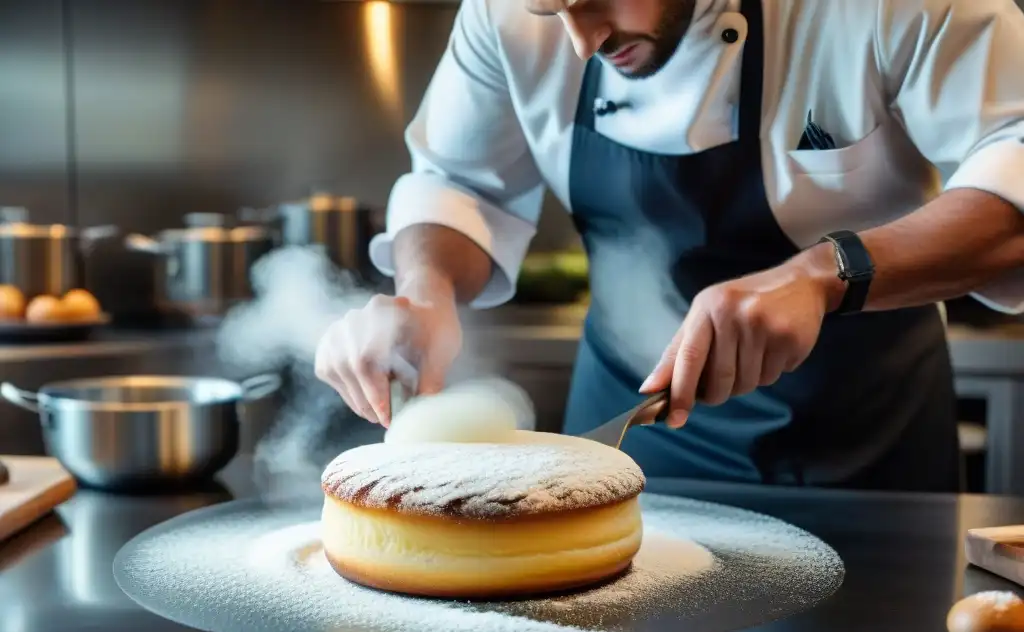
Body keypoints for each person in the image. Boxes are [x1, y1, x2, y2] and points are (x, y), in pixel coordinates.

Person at [315, 0, 1024, 492]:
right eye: (550, 12)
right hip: (627, 456)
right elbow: (459, 182)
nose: (580, 38)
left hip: (867, 457)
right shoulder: (512, 16)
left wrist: (821, 274)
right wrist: (425, 292)